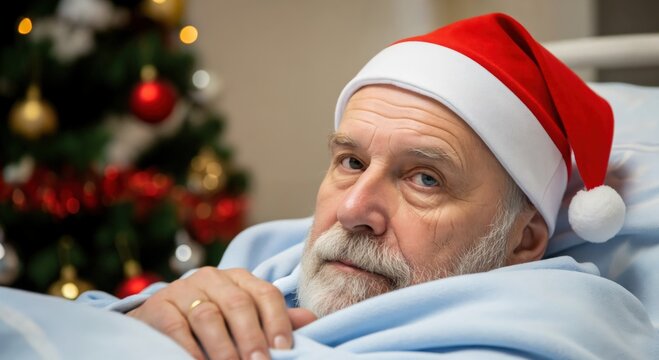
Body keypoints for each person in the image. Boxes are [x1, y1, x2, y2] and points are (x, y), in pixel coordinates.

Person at [79, 13, 658, 360]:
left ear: (524, 239)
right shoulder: (264, 257)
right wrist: (145, 325)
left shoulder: (551, 328)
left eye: (425, 179)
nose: (355, 210)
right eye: (351, 162)